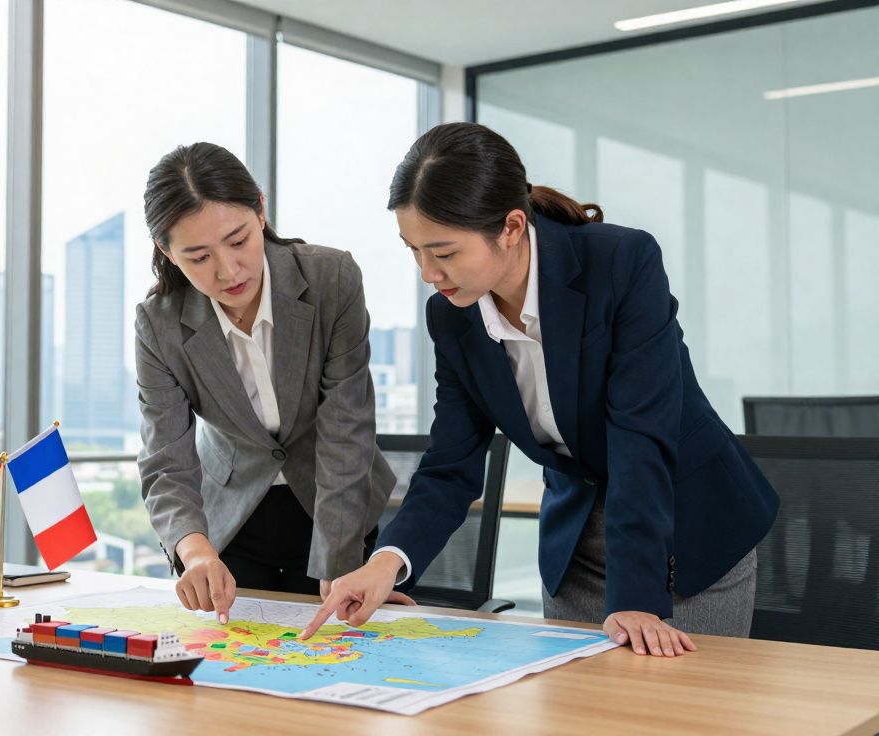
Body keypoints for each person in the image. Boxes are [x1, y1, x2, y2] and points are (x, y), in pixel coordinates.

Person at [303, 123, 778, 657]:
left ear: (510, 226)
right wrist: (385, 564)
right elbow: (451, 465)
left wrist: (639, 598)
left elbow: (640, 439)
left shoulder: (622, 263)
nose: (427, 273)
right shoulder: (453, 316)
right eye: (412, 250)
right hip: (576, 543)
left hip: (684, 533)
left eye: (444, 252)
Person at [136, 142, 405, 624]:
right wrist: (195, 552)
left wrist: (339, 561)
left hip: (334, 507)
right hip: (231, 526)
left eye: (238, 240)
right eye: (198, 257)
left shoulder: (331, 279)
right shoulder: (158, 325)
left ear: (260, 209)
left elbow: (347, 428)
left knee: (339, 660)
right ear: (166, 251)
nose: (228, 270)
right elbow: (166, 460)